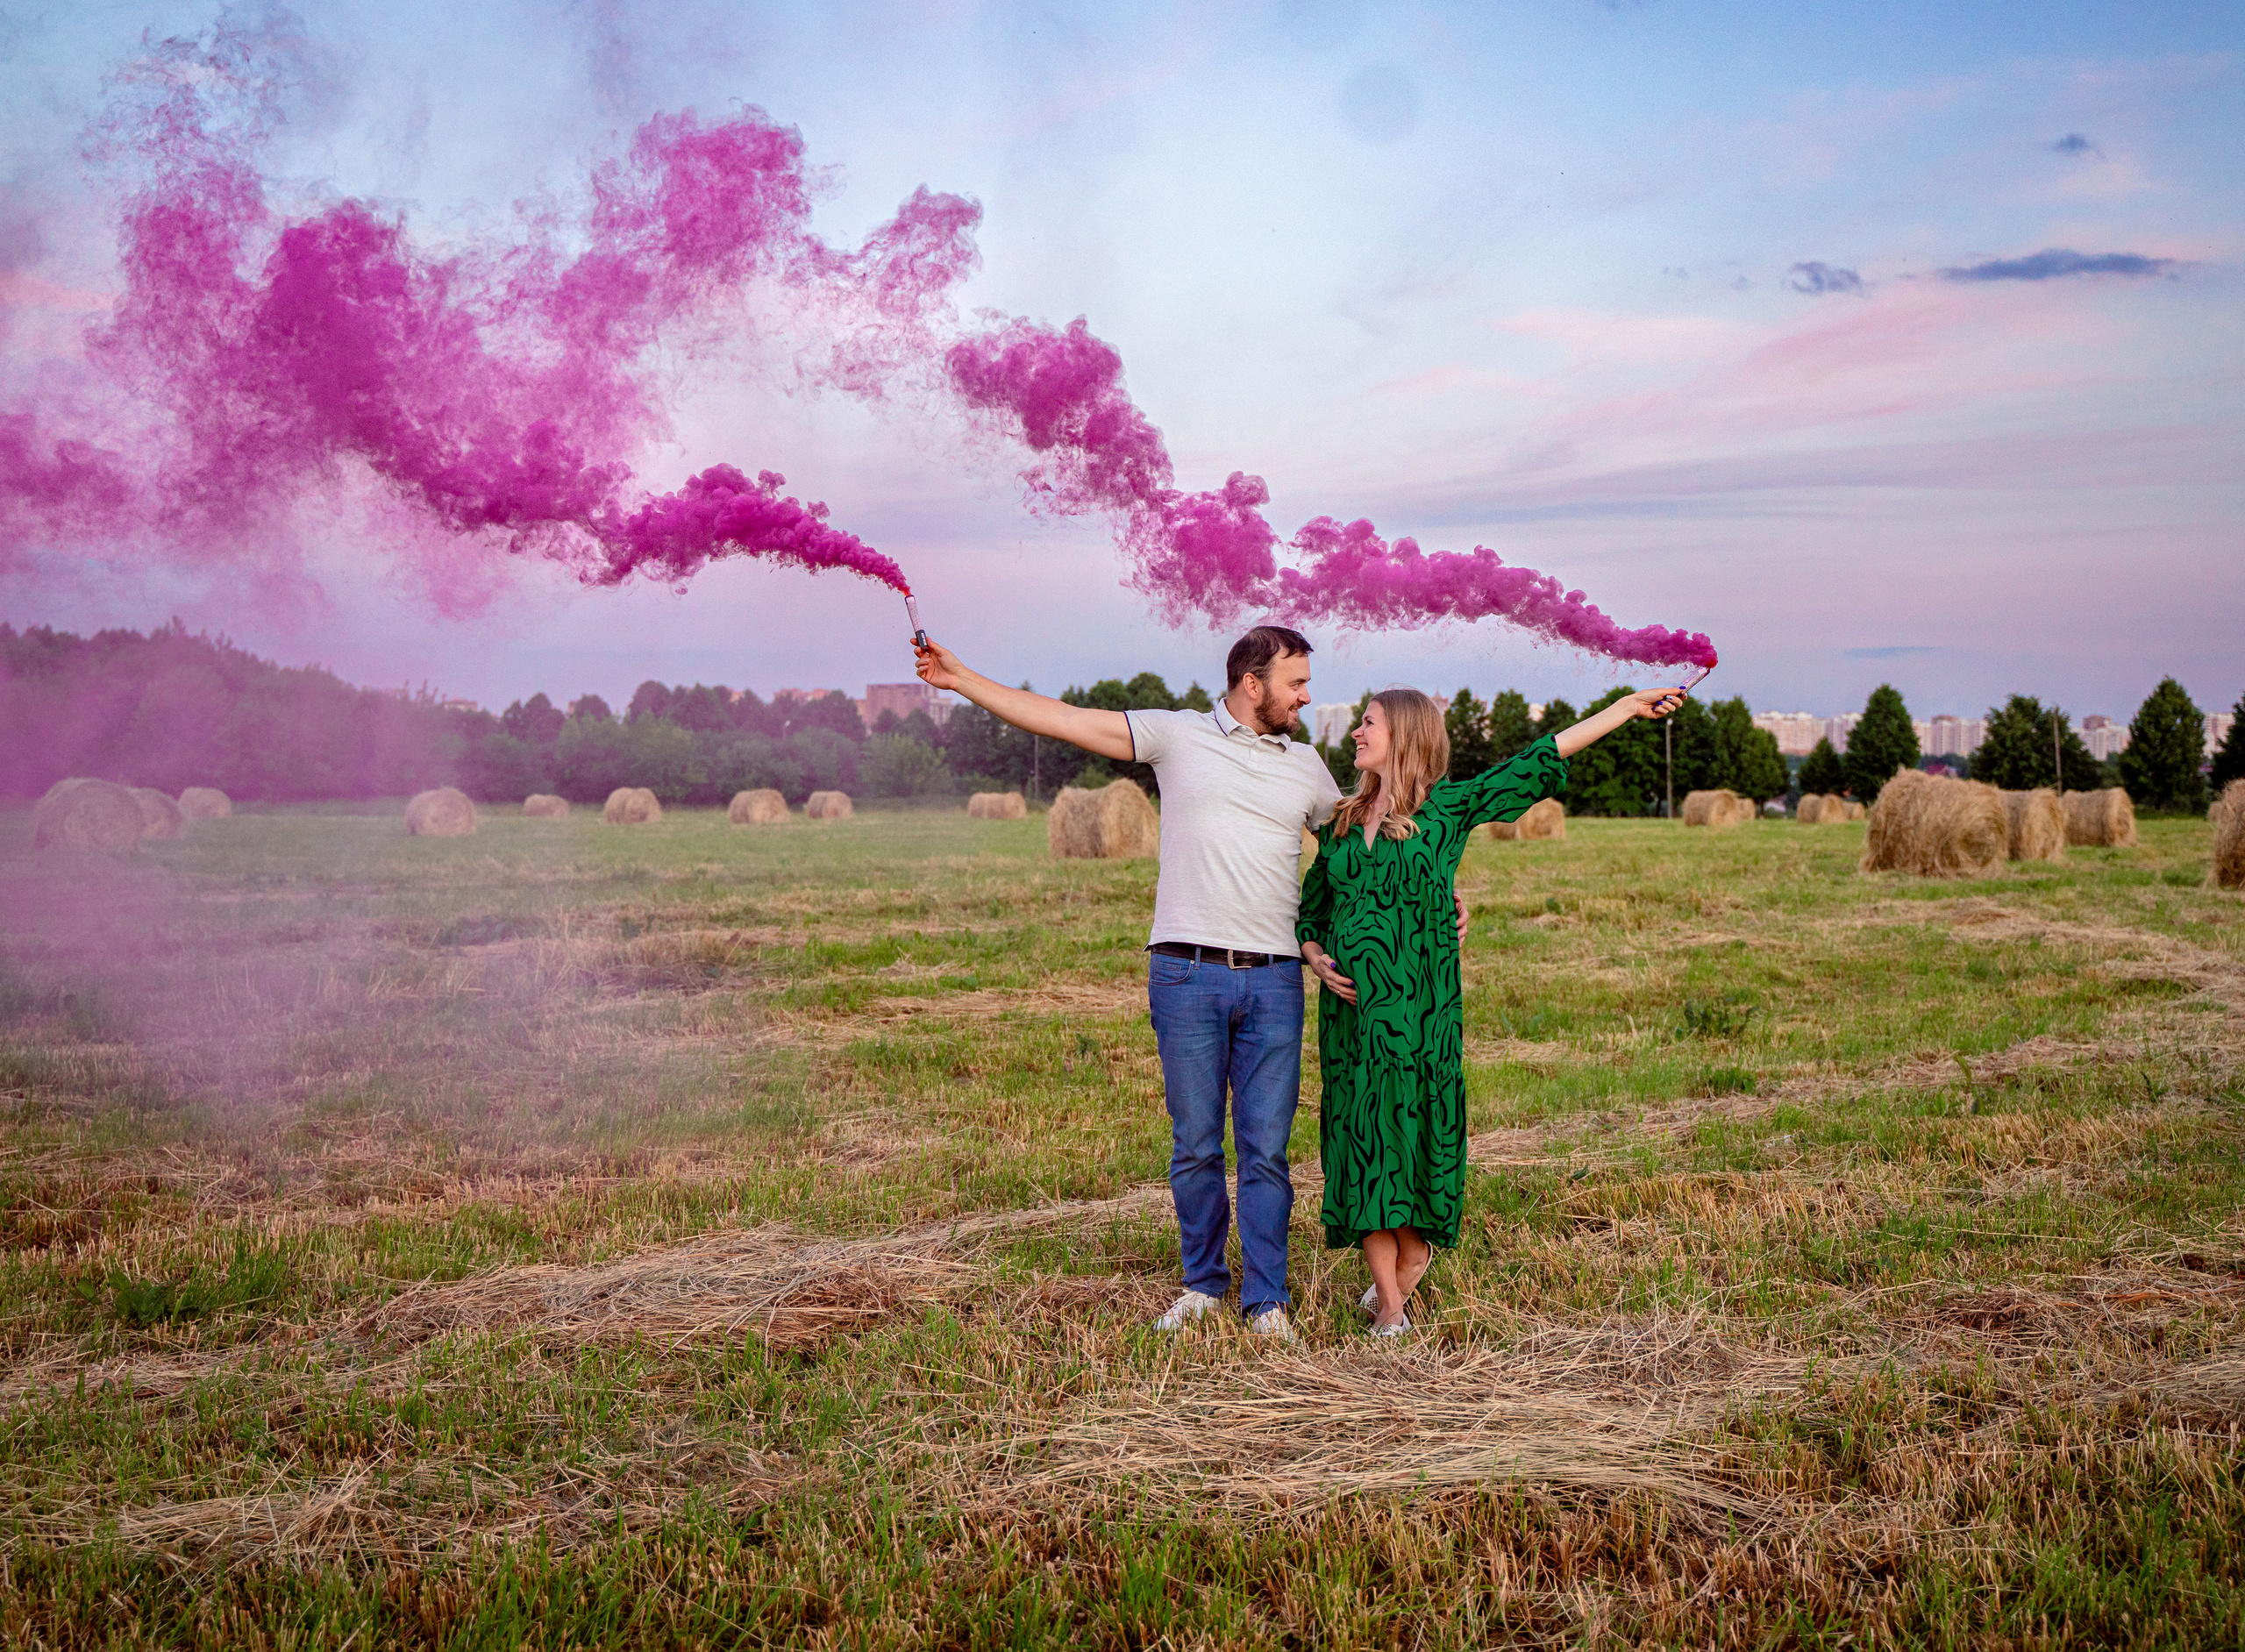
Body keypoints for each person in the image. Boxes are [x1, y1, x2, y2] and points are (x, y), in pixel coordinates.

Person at [912, 624, 1469, 1341]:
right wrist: (963, 680)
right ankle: (1203, 1285)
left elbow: (1378, 840)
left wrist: (1443, 900)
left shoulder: (1306, 769)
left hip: (1273, 980)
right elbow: (1066, 720)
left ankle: (1267, 1302)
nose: (1307, 697)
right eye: (1296, 683)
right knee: (1197, 1145)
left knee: (1266, 1152)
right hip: (1184, 972)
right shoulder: (1176, 736)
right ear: (1252, 683)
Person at [1296, 684, 1686, 1335]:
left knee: (1415, 1145)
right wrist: (1314, 955)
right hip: (1354, 1024)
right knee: (1362, 1143)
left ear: (1408, 736)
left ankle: (1407, 1266)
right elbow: (1311, 912)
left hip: (1422, 1018)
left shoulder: (1445, 810)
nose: (1356, 734)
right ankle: (1390, 1305)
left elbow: (1535, 760)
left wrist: (1622, 709)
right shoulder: (1336, 825)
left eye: (1368, 724)